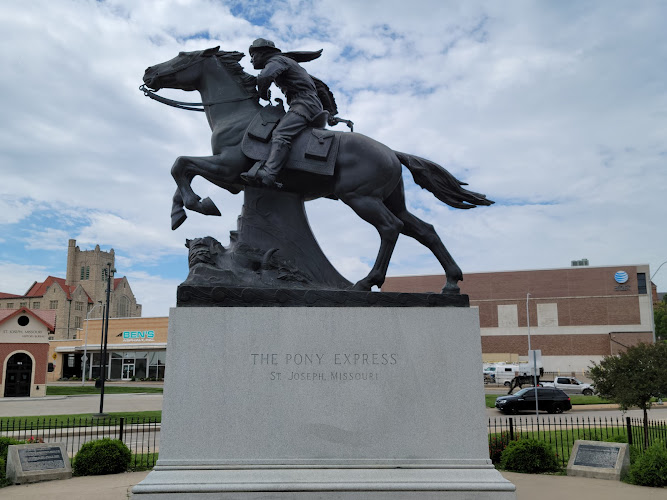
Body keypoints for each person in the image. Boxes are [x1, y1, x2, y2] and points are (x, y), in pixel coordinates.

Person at [245, 38, 325, 188]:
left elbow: (264, 77)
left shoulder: (277, 60)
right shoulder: (284, 61)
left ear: (262, 53)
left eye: (253, 55)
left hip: (304, 103)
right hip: (305, 102)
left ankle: (269, 173)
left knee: (281, 134)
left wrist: (262, 93)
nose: (251, 60)